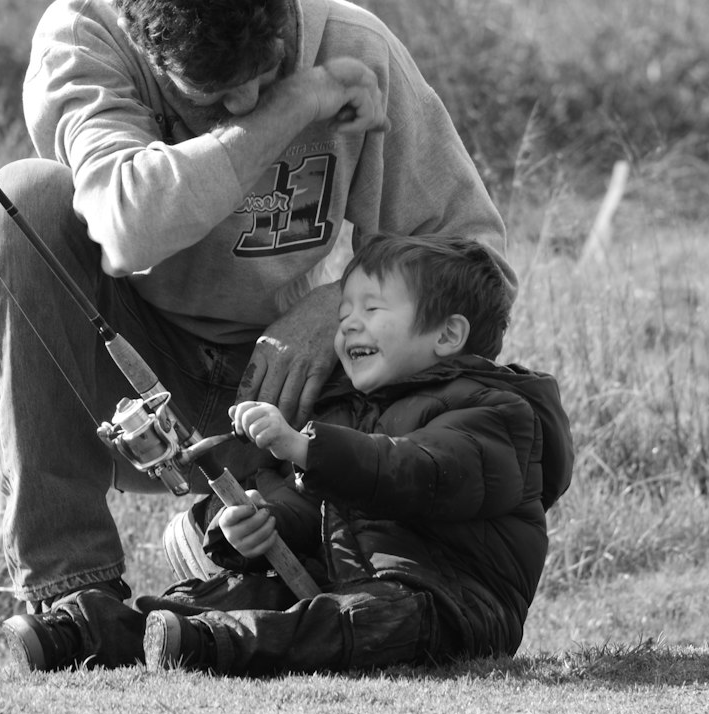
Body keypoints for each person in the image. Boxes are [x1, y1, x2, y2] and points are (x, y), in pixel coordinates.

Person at [0, 0, 516, 663]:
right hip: (125, 386)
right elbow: (129, 230)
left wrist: (336, 308)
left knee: (422, 333)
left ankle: (274, 573)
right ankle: (74, 596)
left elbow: (480, 266)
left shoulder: (357, 45)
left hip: (288, 395)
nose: (250, 99)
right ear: (148, 53)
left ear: (285, 13)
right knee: (22, 199)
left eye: (269, 73)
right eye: (216, 98)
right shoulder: (85, 42)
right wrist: (301, 102)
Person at [137, 233, 574, 676]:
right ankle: (88, 630)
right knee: (228, 594)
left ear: (447, 333)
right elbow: (314, 507)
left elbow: (413, 471)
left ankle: (208, 645)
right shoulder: (352, 411)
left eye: (371, 309)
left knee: (363, 617)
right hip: (347, 587)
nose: (346, 325)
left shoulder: (499, 413)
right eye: (344, 311)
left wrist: (306, 448)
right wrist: (262, 523)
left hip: (449, 605)